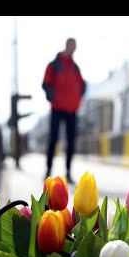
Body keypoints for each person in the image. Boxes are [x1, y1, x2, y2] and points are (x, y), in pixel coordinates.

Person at [42, 37, 86, 184]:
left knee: (71, 141)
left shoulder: (75, 67)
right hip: (57, 107)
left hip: (72, 109)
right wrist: (52, 96)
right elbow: (45, 83)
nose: (73, 49)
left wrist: (78, 99)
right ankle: (48, 170)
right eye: (71, 45)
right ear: (67, 45)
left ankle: (68, 171)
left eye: (75, 47)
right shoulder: (54, 65)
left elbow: (82, 84)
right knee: (53, 139)